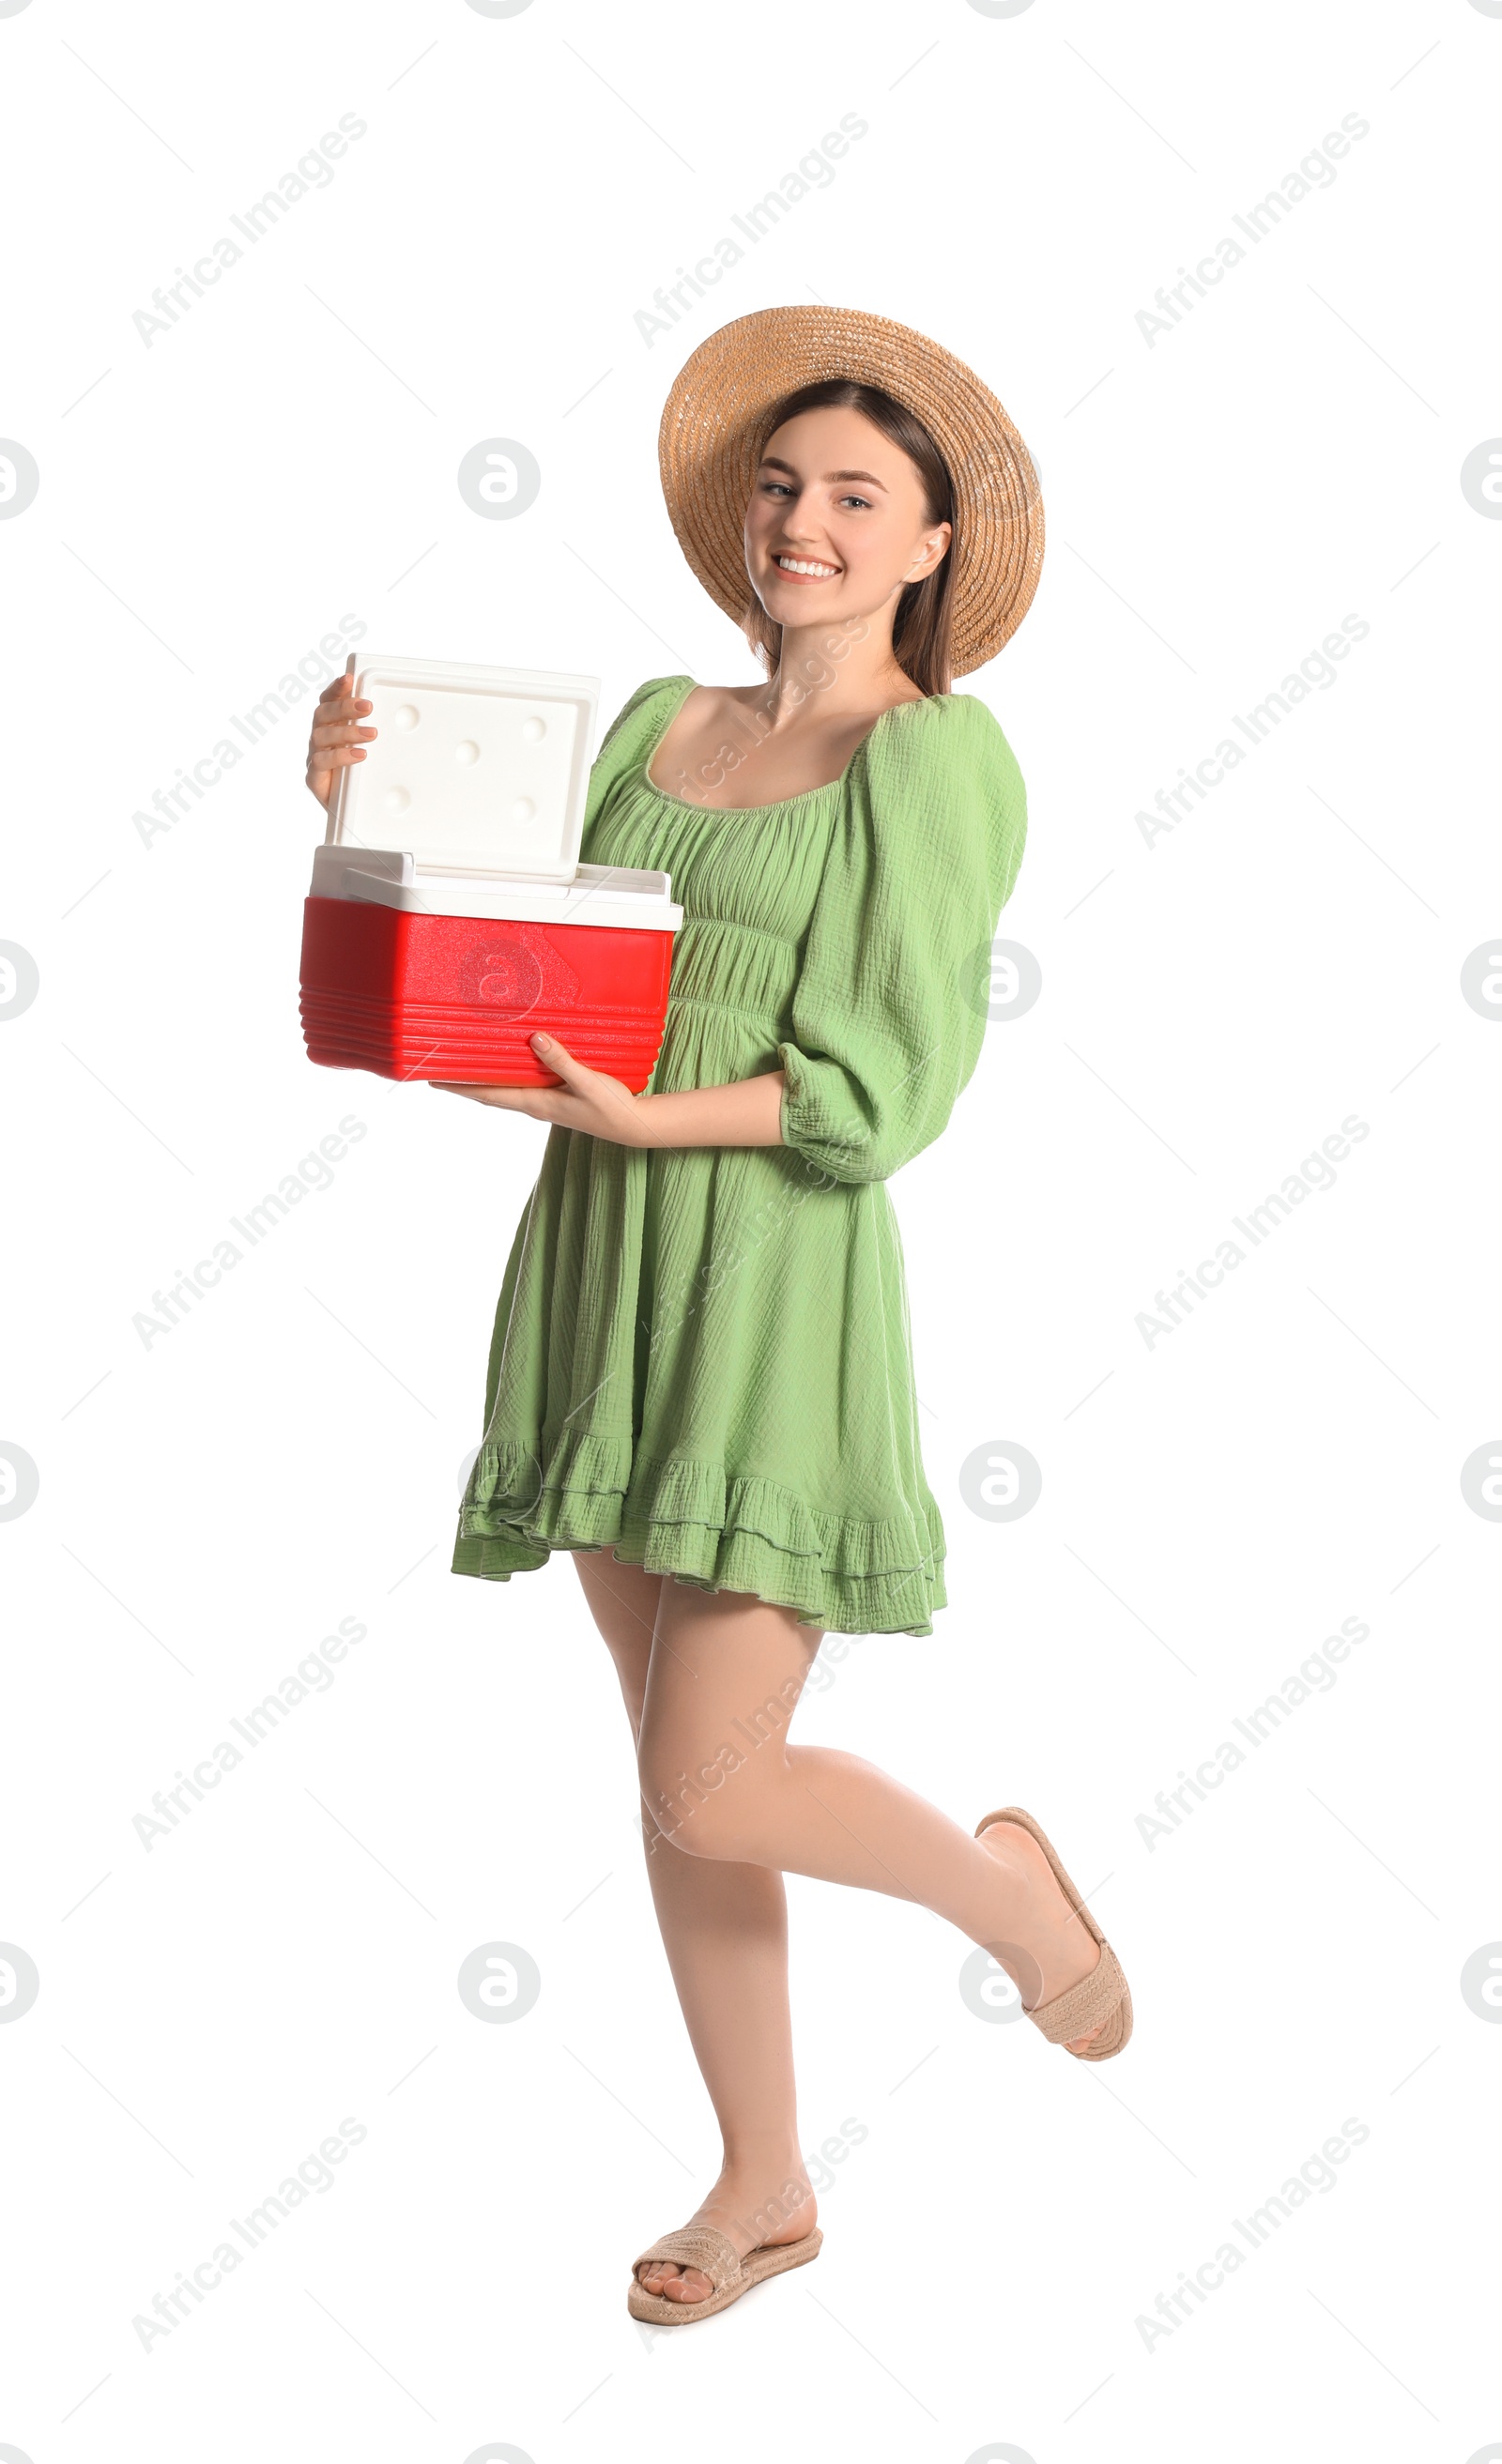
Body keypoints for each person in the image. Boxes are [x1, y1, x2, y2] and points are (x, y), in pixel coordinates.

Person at [304, 305, 1132, 2329]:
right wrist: (343, 810)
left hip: (767, 1267)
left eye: (857, 496)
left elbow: (890, 1086)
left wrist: (653, 1108)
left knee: (709, 1774)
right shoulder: (654, 723)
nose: (804, 523)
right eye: (779, 486)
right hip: (597, 1252)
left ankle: (1014, 1900)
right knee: (676, 1763)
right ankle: (764, 2176)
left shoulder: (928, 757)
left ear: (930, 543)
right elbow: (505, 950)